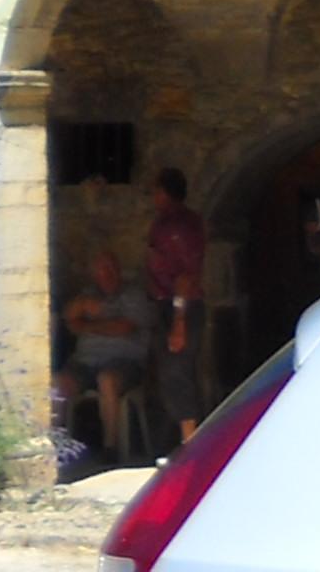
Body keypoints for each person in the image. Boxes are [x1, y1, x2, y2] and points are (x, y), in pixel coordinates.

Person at [61, 250, 156, 460]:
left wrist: (86, 324)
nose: (107, 275)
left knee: (107, 379)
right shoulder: (88, 294)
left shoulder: (133, 295)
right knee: (59, 383)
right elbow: (69, 319)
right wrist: (81, 307)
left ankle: (110, 448)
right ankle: (52, 447)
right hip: (86, 363)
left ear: (118, 270)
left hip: (125, 364)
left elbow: (123, 328)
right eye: (101, 271)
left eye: (110, 269)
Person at [146, 167, 208, 442]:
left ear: (166, 193)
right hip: (164, 304)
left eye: (157, 191)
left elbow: (186, 275)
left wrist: (179, 320)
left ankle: (189, 441)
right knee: (168, 373)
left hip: (179, 306)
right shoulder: (165, 223)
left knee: (177, 372)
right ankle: (172, 437)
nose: (153, 197)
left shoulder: (179, 227)